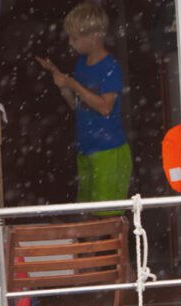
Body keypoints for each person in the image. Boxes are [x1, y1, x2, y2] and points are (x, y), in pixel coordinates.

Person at [35, 2, 132, 211]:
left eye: (75, 38)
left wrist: (74, 85)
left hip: (109, 151)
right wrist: (61, 83)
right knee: (88, 216)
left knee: (109, 221)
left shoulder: (110, 67)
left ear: (93, 38)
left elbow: (106, 108)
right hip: (86, 150)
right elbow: (77, 106)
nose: (70, 42)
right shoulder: (81, 64)